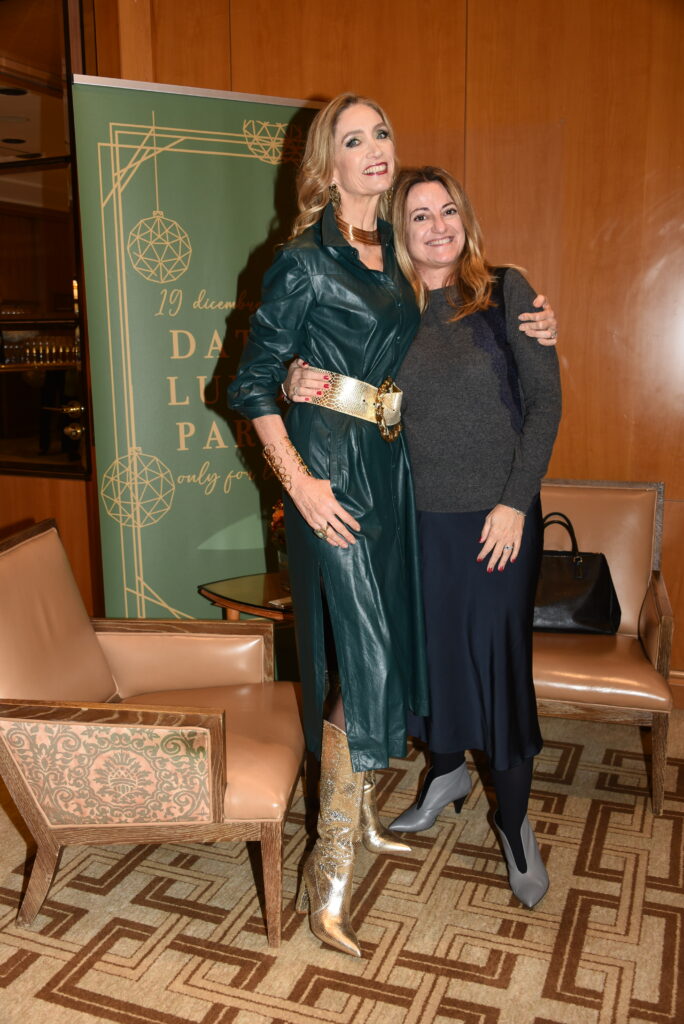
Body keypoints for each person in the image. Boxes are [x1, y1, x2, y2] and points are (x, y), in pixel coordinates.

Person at [228, 95, 557, 959]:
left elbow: (518, 384)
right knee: (383, 660)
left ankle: (444, 821)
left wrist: (537, 321)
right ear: (327, 164)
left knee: (427, 660)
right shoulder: (333, 268)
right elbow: (264, 375)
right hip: (360, 492)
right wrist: (298, 454)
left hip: (441, 497)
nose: (375, 147)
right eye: (354, 138)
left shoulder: (447, 275)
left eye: (381, 133)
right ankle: (343, 863)